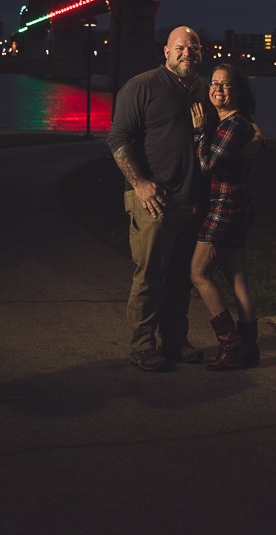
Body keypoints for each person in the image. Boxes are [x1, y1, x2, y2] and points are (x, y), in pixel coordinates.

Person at [107, 26, 211, 372]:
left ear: (200, 52)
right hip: (154, 199)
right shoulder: (143, 86)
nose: (187, 53)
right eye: (180, 47)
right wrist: (140, 184)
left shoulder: (202, 88)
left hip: (192, 199)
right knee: (151, 275)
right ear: (165, 52)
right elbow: (118, 139)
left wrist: (253, 133)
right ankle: (142, 346)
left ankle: (175, 341)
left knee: (181, 276)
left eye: (193, 48)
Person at [189, 62, 260, 370]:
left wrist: (199, 132)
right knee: (236, 275)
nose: (217, 89)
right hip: (235, 203)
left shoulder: (233, 124)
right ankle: (249, 346)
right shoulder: (233, 122)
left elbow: (207, 166)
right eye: (214, 83)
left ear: (238, 91)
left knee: (198, 273)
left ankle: (230, 343)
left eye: (225, 84)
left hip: (225, 206)